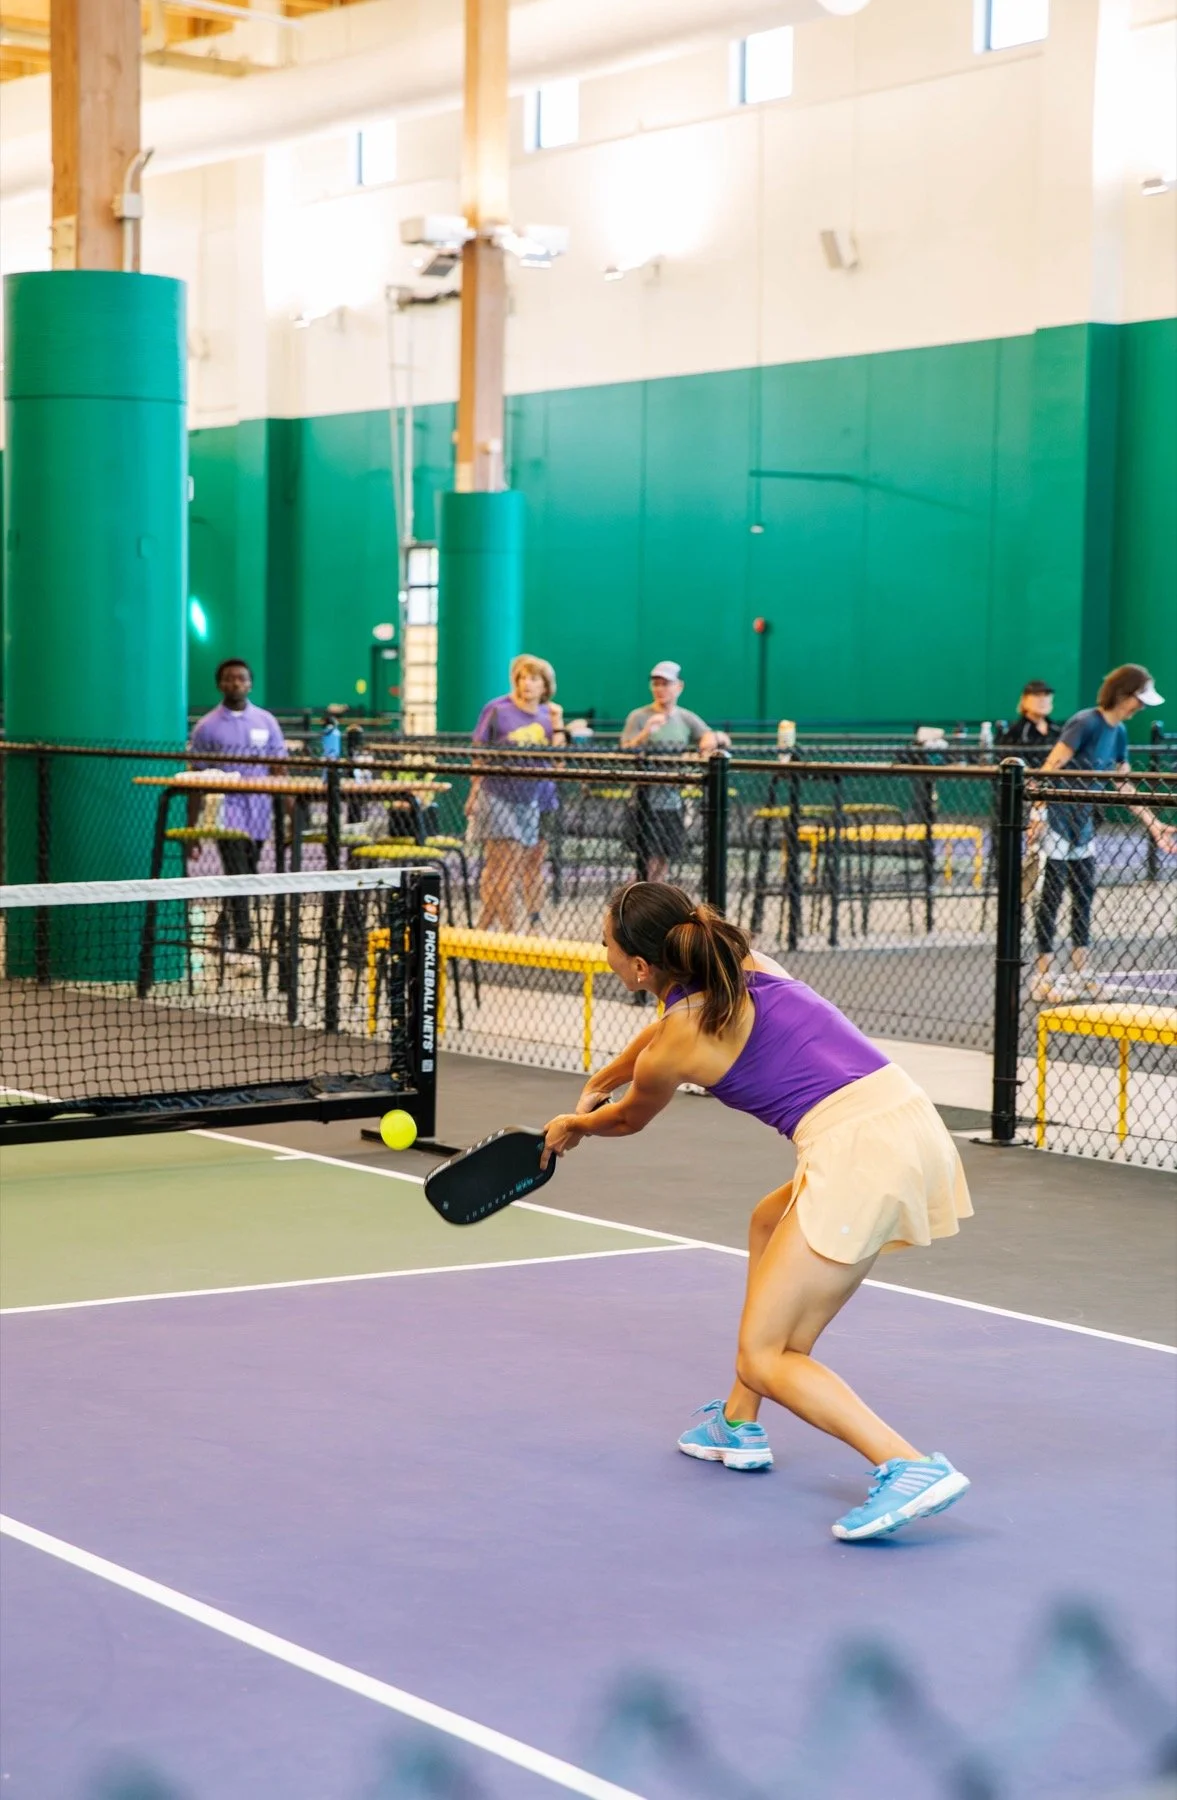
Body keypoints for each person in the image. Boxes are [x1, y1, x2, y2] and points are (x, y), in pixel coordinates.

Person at [541, 882, 973, 1543]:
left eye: (604, 942)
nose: (599, 949)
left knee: (765, 1354)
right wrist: (605, 1074)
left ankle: (907, 1465)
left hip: (858, 1155)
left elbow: (627, 1119)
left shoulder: (672, 1046)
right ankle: (737, 1422)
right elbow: (656, 1038)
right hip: (905, 1122)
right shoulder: (740, 966)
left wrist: (578, 1122)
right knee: (768, 1224)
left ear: (636, 966)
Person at [1030, 664, 1174, 1002]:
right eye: (1139, 699)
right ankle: (1041, 979)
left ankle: (1082, 974)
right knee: (1050, 901)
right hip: (1056, 822)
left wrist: (1153, 823)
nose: (1140, 707)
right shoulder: (1085, 723)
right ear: (1124, 694)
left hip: (1084, 827)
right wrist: (1036, 814)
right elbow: (1051, 767)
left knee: (1084, 898)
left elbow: (1122, 782)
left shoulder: (1119, 732)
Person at [188, 660, 286, 952]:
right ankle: (244, 937)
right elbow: (196, 775)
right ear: (220, 684)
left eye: (241, 678)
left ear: (250, 683)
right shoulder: (207, 726)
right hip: (225, 812)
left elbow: (280, 768)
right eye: (229, 679)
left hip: (259, 812)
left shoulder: (267, 721)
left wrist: (294, 813)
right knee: (237, 868)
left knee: (248, 870)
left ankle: (223, 923)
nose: (235, 684)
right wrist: (192, 829)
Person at [466, 655, 566, 932]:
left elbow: (560, 761)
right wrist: (474, 792)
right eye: (522, 678)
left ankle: (488, 926)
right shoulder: (498, 709)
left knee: (524, 863)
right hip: (498, 794)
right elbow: (479, 753)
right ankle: (509, 930)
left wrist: (558, 723)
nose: (527, 684)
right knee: (502, 865)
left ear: (545, 685)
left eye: (533, 679)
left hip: (536, 797)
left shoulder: (550, 715)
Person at [620, 662, 730, 884]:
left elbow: (712, 736)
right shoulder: (639, 716)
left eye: (665, 684)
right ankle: (629, 906)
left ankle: (652, 909)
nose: (660, 689)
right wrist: (645, 733)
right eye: (656, 684)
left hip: (671, 801)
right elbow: (625, 751)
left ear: (678, 687)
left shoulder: (685, 717)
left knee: (663, 861)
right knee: (646, 863)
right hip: (644, 801)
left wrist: (712, 739)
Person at [997, 681, 1060, 760]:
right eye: (1037, 695)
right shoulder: (1015, 731)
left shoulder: (1056, 729)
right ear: (1024, 700)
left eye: (1046, 695)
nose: (1043, 700)